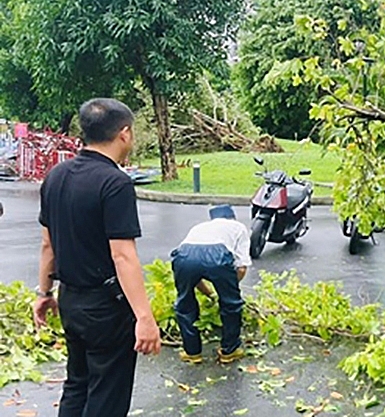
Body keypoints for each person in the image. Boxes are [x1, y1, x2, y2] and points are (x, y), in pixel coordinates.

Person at [33, 99, 161, 417]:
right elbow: (123, 256)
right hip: (106, 309)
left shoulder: (56, 176)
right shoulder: (115, 183)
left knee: (77, 385)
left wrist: (44, 293)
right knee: (107, 396)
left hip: (70, 302)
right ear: (125, 133)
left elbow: (48, 245)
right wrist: (145, 318)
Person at [171, 205, 251, 365]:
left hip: (184, 255)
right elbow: (241, 267)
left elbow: (195, 278)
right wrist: (228, 289)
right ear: (232, 217)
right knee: (231, 305)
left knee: (184, 303)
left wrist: (210, 294)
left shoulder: (200, 228)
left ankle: (192, 353)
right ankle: (230, 350)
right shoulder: (238, 227)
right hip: (217, 255)